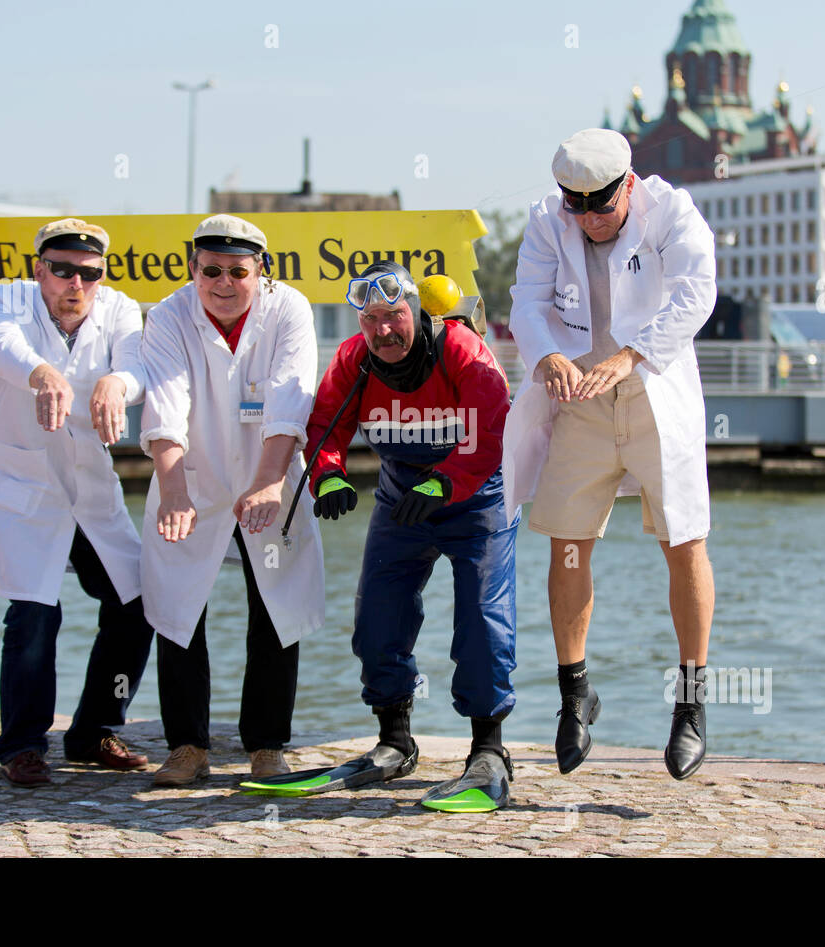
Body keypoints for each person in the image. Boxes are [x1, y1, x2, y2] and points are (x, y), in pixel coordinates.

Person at [503, 128, 717, 780]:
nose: (591, 219)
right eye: (578, 206)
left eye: (603, 205)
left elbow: (696, 292)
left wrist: (632, 353)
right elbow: (526, 303)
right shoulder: (549, 221)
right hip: (582, 398)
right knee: (567, 540)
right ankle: (575, 694)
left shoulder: (673, 212)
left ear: (628, 186)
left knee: (684, 540)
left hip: (654, 390)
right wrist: (549, 357)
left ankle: (690, 705)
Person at [288, 263, 518, 812]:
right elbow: (325, 426)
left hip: (476, 494)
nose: (383, 331)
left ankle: (488, 750)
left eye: (394, 316)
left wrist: (448, 483)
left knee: (482, 620)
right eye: (370, 320)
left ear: (414, 311)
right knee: (377, 618)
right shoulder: (354, 359)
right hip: (400, 498)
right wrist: (329, 474)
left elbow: (494, 428)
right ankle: (395, 740)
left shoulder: (459, 349)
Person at [139, 214, 323, 786]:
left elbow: (292, 396)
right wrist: (173, 492)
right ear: (194, 268)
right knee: (178, 603)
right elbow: (166, 402)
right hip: (189, 471)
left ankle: (266, 743)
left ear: (261, 271)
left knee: (275, 602)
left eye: (237, 272)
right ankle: (188, 745)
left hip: (270, 465)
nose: (222, 283)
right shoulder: (168, 315)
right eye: (210, 270)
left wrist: (269, 481)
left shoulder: (289, 308)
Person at [0, 217, 154, 786]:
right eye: (61, 270)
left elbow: (136, 361)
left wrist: (116, 383)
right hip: (21, 482)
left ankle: (94, 729)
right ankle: (23, 745)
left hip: (88, 485)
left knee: (138, 598)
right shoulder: (5, 298)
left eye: (88, 273)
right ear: (38, 270)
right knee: (34, 611)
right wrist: (42, 371)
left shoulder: (120, 309)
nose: (75, 284)